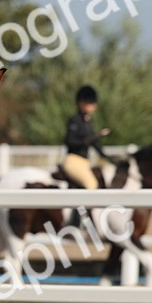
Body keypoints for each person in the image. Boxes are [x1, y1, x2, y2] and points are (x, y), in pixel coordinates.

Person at [62, 86, 110, 225]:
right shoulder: (75, 120)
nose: (92, 106)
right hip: (73, 160)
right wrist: (93, 138)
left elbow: (94, 144)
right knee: (91, 184)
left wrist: (108, 158)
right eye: (89, 102)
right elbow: (70, 141)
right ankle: (76, 222)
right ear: (81, 103)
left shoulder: (88, 122)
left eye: (93, 103)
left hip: (84, 162)